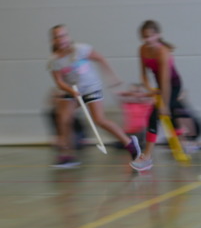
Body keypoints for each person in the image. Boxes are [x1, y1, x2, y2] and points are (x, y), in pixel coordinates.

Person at [47, 24, 141, 168]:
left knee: (99, 120)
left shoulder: (81, 49)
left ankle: (129, 143)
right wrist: (71, 91)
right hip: (71, 89)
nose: (61, 39)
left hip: (91, 87)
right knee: (63, 118)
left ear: (68, 36)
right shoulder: (54, 60)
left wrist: (112, 78)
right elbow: (59, 82)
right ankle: (67, 154)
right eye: (57, 37)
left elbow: (100, 59)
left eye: (63, 35)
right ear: (53, 40)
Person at [129, 20, 198, 171]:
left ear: (158, 35)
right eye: (145, 37)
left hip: (173, 85)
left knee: (155, 116)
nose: (148, 40)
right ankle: (185, 143)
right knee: (170, 114)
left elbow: (166, 81)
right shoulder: (142, 50)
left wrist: (164, 105)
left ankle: (147, 157)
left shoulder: (163, 52)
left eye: (150, 36)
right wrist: (150, 89)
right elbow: (144, 75)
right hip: (160, 86)